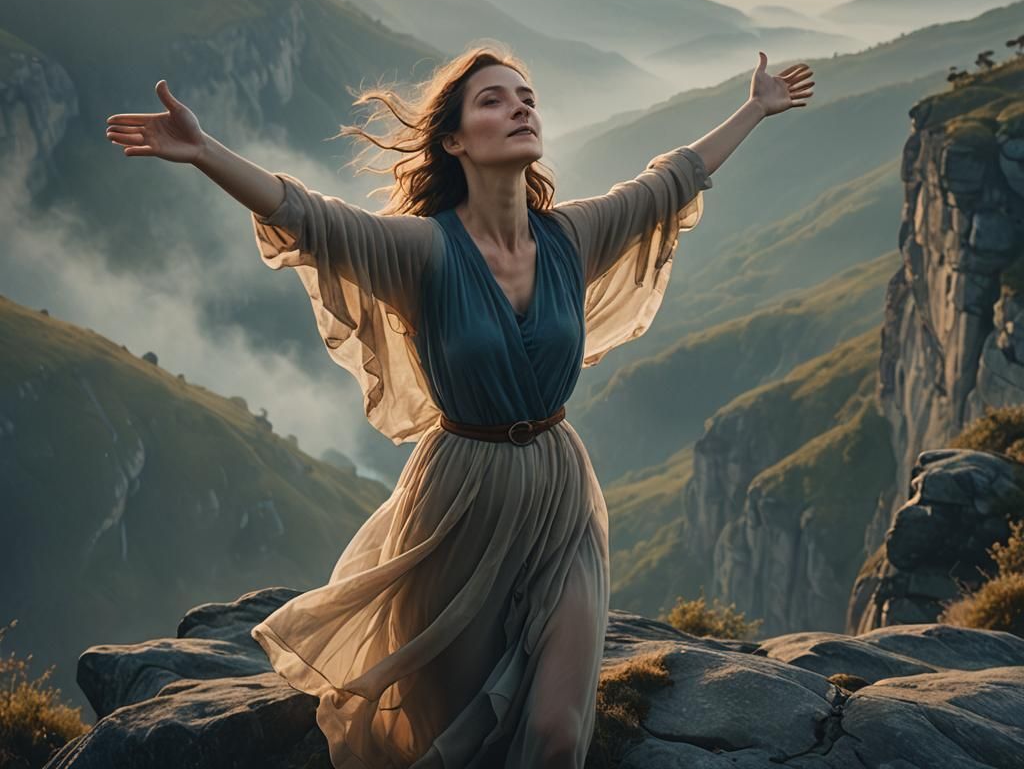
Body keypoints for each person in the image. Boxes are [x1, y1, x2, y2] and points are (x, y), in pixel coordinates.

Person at [104, 45, 814, 768]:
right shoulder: (424, 250)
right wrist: (202, 151)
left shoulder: (573, 235)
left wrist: (755, 107)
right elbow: (309, 217)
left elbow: (673, 180)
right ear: (453, 140)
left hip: (560, 496)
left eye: (526, 94)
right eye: (493, 100)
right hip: (458, 504)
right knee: (446, 737)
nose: (520, 106)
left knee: (558, 734)